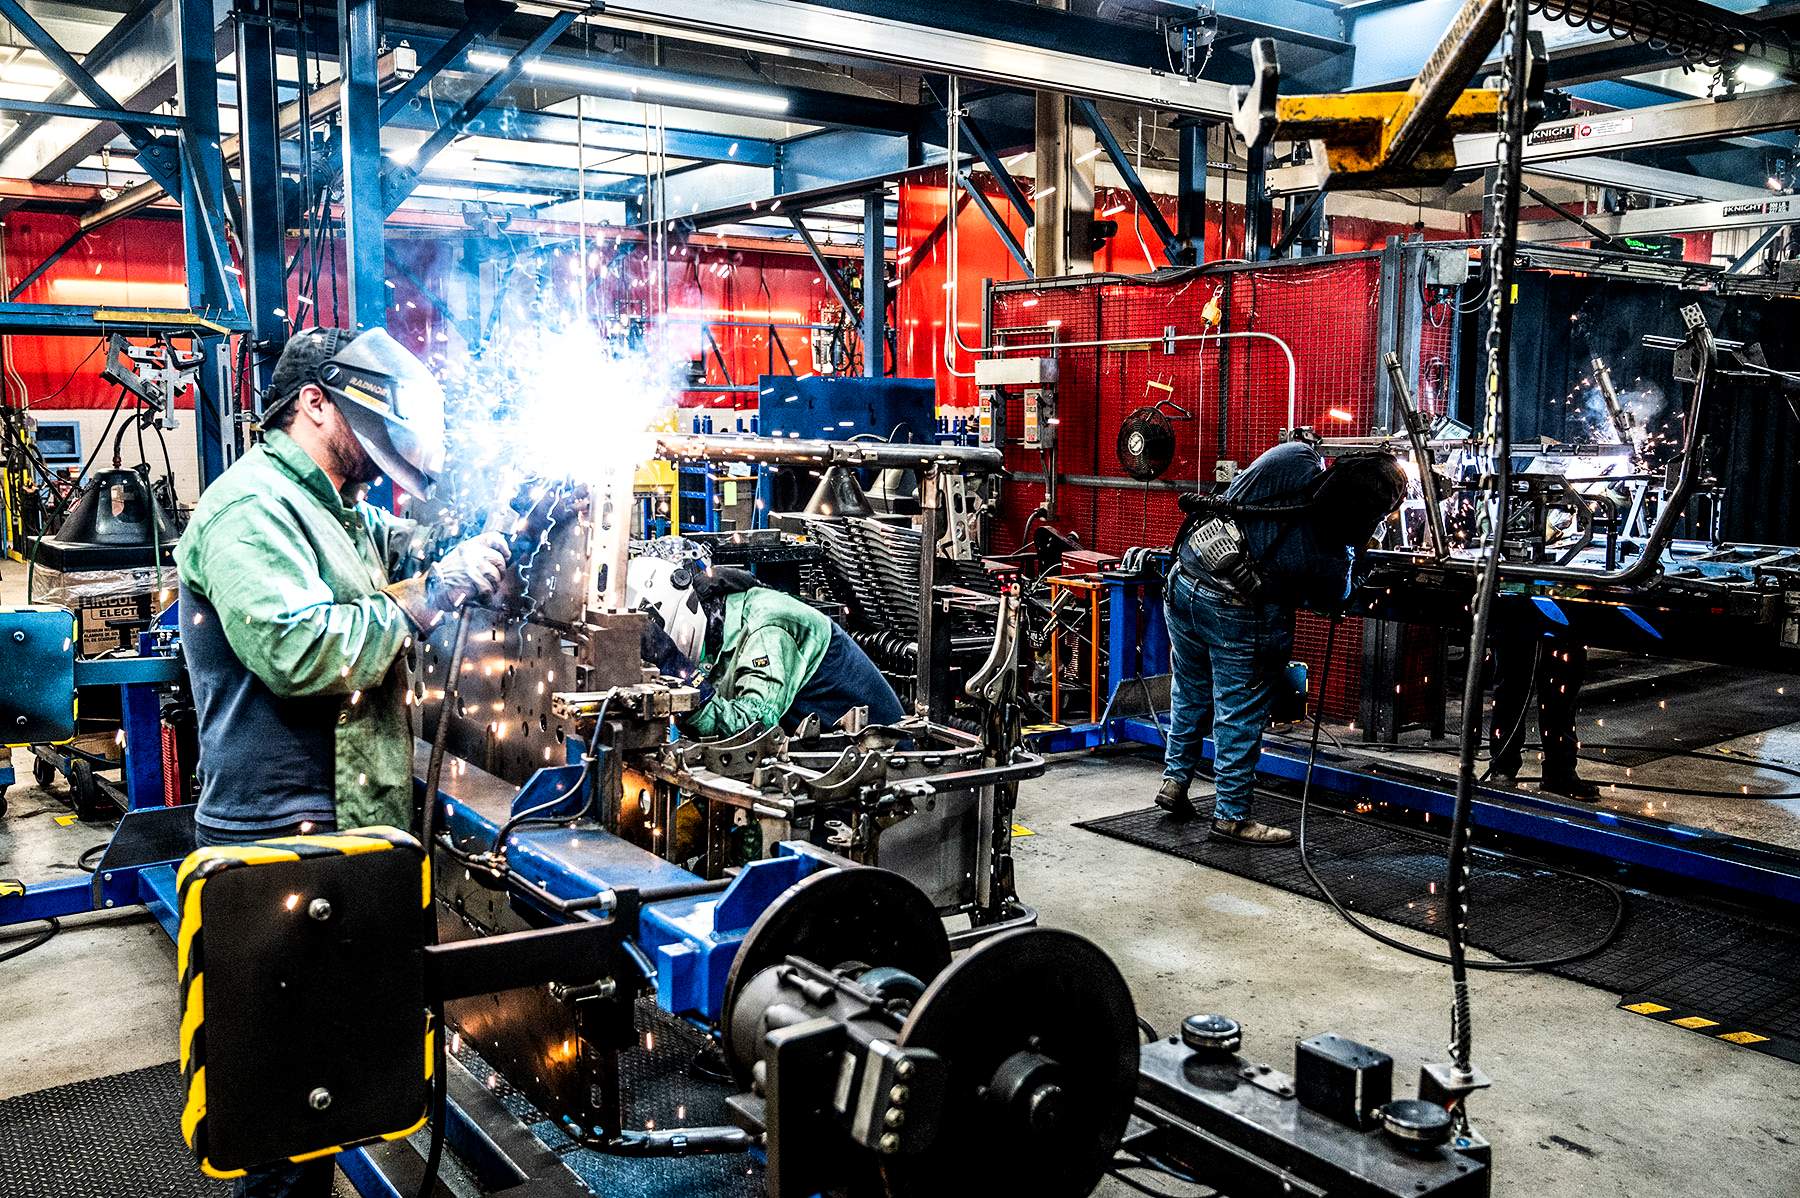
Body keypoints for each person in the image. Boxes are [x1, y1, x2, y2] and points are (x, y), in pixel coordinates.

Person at [175, 328, 508, 1198]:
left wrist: (491, 535)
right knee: (284, 1126)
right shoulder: (250, 510)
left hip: (345, 834)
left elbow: (396, 557)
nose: (376, 456)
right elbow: (301, 647)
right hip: (272, 847)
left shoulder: (333, 507)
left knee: (331, 1097)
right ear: (314, 402)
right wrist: (432, 596)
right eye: (366, 429)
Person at [1157, 441, 1407, 844]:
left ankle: (1175, 782)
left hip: (1184, 583)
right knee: (1238, 711)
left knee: (1190, 691)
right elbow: (1334, 601)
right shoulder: (1332, 556)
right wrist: (1365, 558)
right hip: (1237, 614)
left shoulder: (1291, 458)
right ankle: (1231, 816)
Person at [628, 537, 906, 736]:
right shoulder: (719, 622)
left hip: (878, 776)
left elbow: (752, 729)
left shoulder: (766, 632)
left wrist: (672, 664)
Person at [1488, 627, 1596, 798]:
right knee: (1511, 692)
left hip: (1566, 621)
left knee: (1561, 696)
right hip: (1518, 618)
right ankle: (1503, 768)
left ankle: (1560, 772)